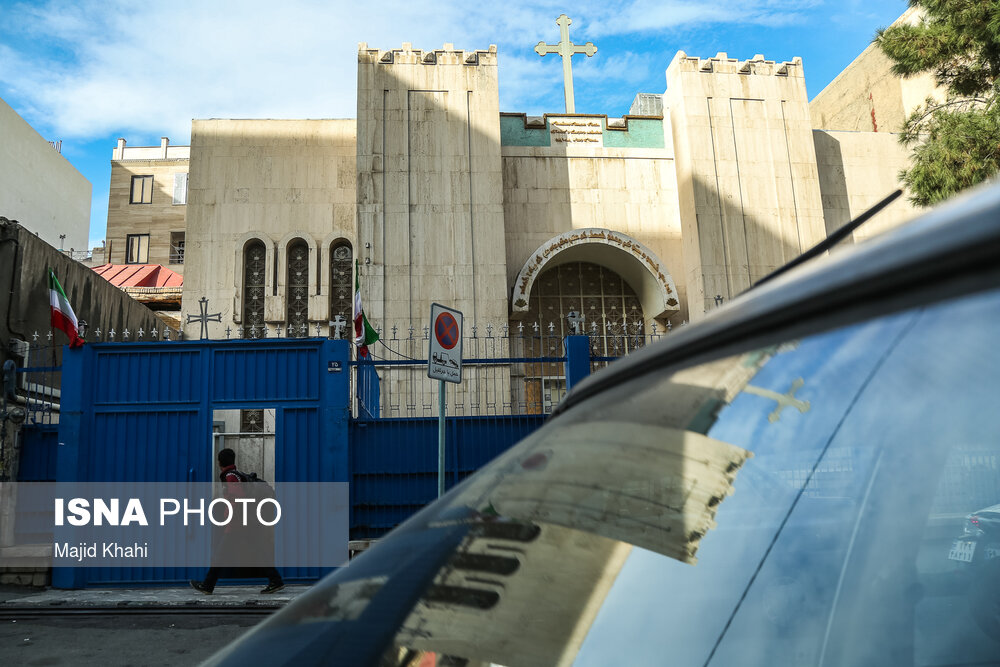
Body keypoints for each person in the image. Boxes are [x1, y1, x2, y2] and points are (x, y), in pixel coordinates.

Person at [190, 448, 284, 595]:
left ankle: (207, 586)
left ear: (219, 462)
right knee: (258, 550)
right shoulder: (237, 475)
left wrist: (231, 518)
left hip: (238, 523)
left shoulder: (231, 477)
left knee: (220, 554)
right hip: (247, 522)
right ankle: (276, 580)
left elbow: (237, 498)